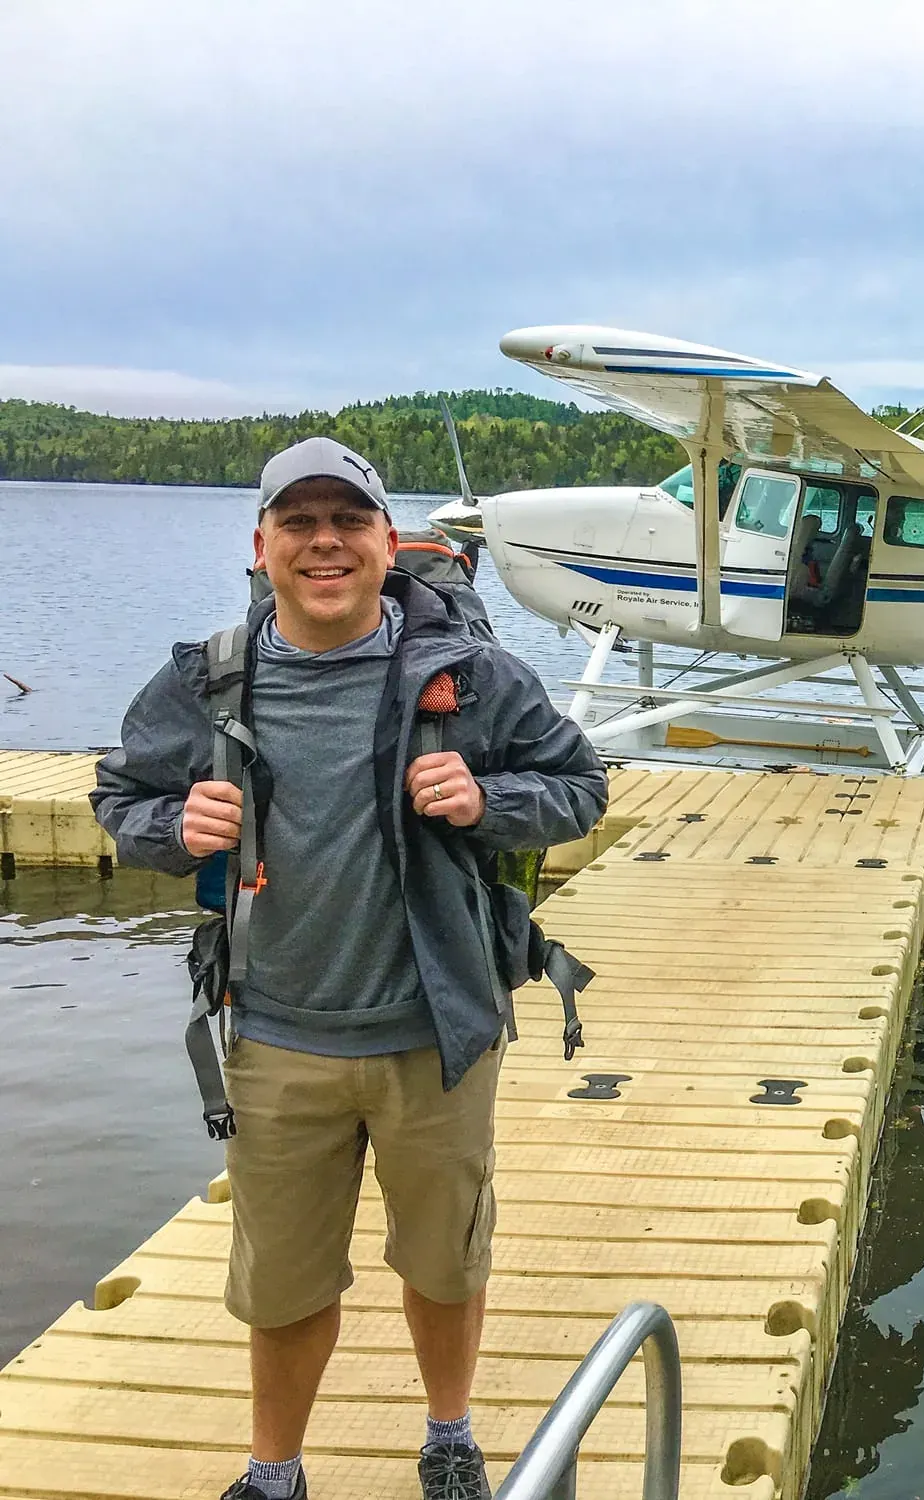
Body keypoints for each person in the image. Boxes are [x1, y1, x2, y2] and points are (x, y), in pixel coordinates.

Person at [92, 436, 609, 1500]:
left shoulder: (470, 679)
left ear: (384, 541)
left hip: (440, 1035)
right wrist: (173, 827)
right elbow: (118, 799)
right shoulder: (207, 676)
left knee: (444, 1262)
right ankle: (274, 1472)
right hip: (277, 1040)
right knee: (279, 1287)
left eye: (347, 521)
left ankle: (449, 1433)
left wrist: (490, 801)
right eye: (299, 523)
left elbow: (580, 786)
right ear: (263, 545)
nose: (323, 542)